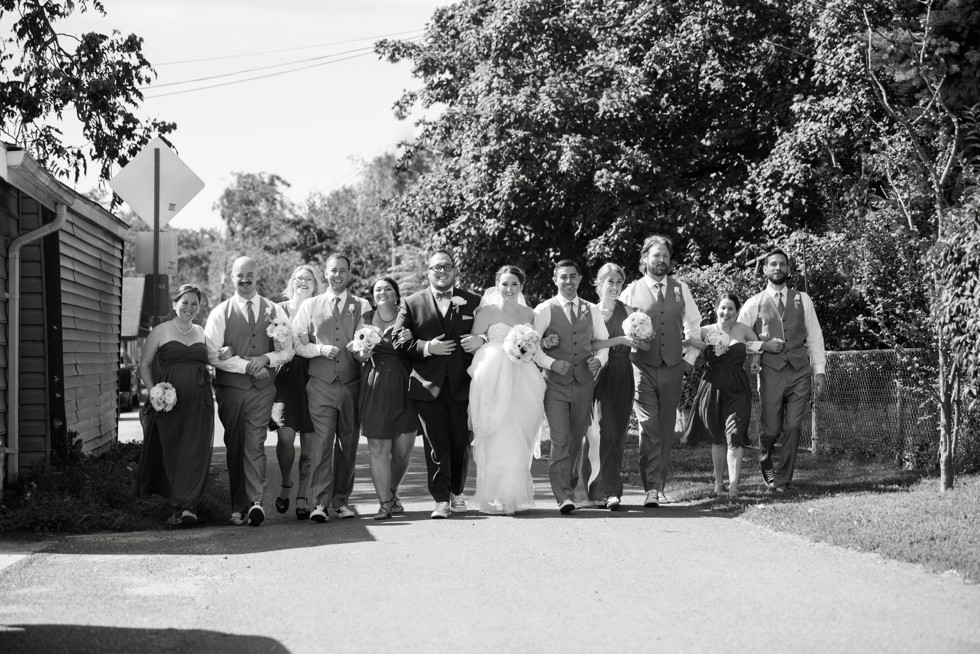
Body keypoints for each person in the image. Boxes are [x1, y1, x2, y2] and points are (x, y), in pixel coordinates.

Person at [393, 250, 482, 519]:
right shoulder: (411, 302)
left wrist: (483, 340)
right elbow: (399, 339)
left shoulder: (473, 301)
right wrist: (427, 347)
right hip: (426, 386)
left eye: (446, 267)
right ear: (428, 272)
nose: (441, 272)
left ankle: (457, 493)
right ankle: (441, 499)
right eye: (436, 268)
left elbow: (491, 331)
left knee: (461, 443)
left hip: (462, 385)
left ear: (455, 270)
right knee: (436, 444)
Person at [468, 266, 563, 515]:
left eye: (514, 284)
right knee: (494, 432)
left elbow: (534, 344)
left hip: (523, 378)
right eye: (504, 284)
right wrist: (496, 346)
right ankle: (488, 498)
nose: (509, 289)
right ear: (497, 285)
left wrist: (539, 344)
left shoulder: (529, 313)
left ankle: (510, 497)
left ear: (522, 286)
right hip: (493, 377)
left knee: (518, 433)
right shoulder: (487, 311)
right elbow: (473, 343)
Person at [205, 257, 293, 526]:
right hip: (231, 389)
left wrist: (266, 360)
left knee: (255, 442)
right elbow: (212, 354)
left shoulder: (274, 310)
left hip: (263, 389)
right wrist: (247, 366)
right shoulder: (221, 312)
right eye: (239, 275)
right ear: (232, 278)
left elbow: (287, 350)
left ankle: (255, 502)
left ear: (258, 277)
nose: (245, 279)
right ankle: (238, 506)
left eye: (250, 274)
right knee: (235, 443)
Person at [620, 235, 703, 508]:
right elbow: (616, 326)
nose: (661, 260)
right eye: (656, 255)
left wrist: (689, 359)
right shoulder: (631, 291)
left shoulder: (680, 289)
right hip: (640, 367)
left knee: (666, 427)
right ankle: (651, 488)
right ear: (645, 258)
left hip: (672, 367)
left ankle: (659, 484)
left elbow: (693, 323)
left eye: (666, 255)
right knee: (648, 425)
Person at [738, 248, 826, 492]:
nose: (778, 268)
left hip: (800, 371)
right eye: (773, 264)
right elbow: (737, 338)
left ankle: (783, 479)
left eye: (782, 264)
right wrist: (762, 345)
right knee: (771, 428)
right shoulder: (753, 303)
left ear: (788, 269)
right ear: (765, 270)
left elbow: (815, 337)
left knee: (794, 427)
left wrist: (819, 371)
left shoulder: (803, 299)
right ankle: (766, 463)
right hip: (770, 372)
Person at [291, 253, 371, 522]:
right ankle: (319, 503)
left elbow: (365, 338)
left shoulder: (361, 304)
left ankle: (341, 500)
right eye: (333, 270)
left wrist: (361, 347)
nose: (337, 275)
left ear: (349, 274)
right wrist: (318, 348)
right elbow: (297, 342)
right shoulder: (310, 305)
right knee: (322, 443)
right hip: (321, 385)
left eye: (343, 271)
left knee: (348, 445)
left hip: (351, 384)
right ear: (325, 273)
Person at [136, 285, 215, 526]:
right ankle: (176, 504)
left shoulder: (201, 332)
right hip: (169, 404)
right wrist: (154, 393)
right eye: (185, 302)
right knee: (172, 451)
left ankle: (188, 507)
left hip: (199, 403)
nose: (189, 307)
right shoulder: (160, 331)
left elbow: (216, 356)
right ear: (174, 304)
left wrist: (229, 351)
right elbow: (144, 365)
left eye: (194, 304)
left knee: (194, 451)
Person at [535, 259, 607, 514]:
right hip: (554, 385)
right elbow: (533, 346)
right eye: (563, 277)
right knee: (560, 438)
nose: (568, 281)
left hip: (584, 383)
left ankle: (571, 485)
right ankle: (563, 495)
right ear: (555, 280)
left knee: (576, 438)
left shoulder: (591, 309)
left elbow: (603, 341)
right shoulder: (544, 309)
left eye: (572, 276)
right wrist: (551, 363)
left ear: (579, 279)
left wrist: (599, 360)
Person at [681, 292, 760, 500]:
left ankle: (734, 486)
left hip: (737, 387)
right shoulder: (705, 330)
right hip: (712, 386)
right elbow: (684, 347)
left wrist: (756, 359)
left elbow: (758, 345)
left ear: (736, 312)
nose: (726, 312)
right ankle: (718, 483)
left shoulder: (743, 329)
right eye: (722, 308)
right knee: (718, 437)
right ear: (716, 309)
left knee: (735, 434)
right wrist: (690, 340)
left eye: (731, 309)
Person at [583, 263, 646, 510]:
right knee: (597, 432)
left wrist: (644, 337)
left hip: (622, 372)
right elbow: (590, 343)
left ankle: (612, 491)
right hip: (598, 372)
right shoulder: (589, 311)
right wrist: (619, 339)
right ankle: (593, 489)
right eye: (610, 281)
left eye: (619, 282)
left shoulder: (629, 310)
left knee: (616, 433)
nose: (615, 286)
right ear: (599, 284)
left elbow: (640, 344)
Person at [357, 277, 419, 520]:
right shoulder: (364, 319)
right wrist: (362, 353)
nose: (383, 293)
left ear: (396, 294)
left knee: (403, 450)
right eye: (378, 290)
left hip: (406, 383)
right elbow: (357, 354)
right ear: (373, 295)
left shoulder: (409, 315)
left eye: (388, 289)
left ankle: (393, 490)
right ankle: (384, 502)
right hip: (376, 383)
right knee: (378, 447)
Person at [269, 265, 321, 520]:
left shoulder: (320, 309)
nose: (304, 282)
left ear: (315, 284)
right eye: (299, 278)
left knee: (310, 444)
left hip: (313, 378)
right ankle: (286, 483)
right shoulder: (279, 310)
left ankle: (303, 495)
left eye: (309, 279)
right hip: (286, 379)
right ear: (292, 282)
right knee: (285, 437)